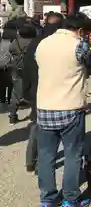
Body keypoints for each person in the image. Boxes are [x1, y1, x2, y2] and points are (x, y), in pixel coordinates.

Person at [35, 13, 91, 207]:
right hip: (70, 107)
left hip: (45, 107)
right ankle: (70, 200)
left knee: (46, 156)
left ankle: (47, 200)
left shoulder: (43, 44)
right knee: (73, 154)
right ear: (80, 31)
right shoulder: (79, 46)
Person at [23, 13, 64, 172]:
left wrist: (26, 91)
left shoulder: (35, 41)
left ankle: (30, 160)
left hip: (35, 89)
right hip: (53, 89)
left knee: (36, 124)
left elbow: (27, 68)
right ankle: (43, 162)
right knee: (51, 130)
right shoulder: (58, 44)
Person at [8, 22, 37, 124]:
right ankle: (34, 114)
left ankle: (12, 116)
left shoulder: (16, 42)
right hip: (32, 69)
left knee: (16, 93)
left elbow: (10, 50)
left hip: (17, 68)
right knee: (34, 90)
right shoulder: (35, 42)